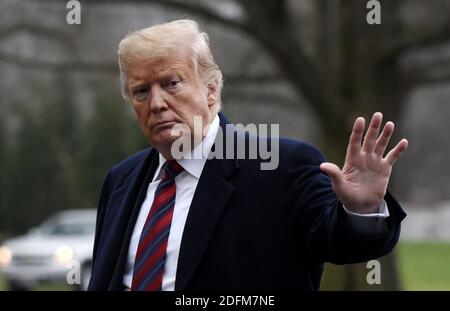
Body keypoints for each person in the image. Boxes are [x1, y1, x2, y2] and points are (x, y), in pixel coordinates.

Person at [88, 19, 408, 291]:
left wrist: (362, 211)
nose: (156, 103)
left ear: (211, 90)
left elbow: (339, 242)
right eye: (141, 91)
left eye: (171, 83)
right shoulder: (121, 180)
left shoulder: (280, 166)